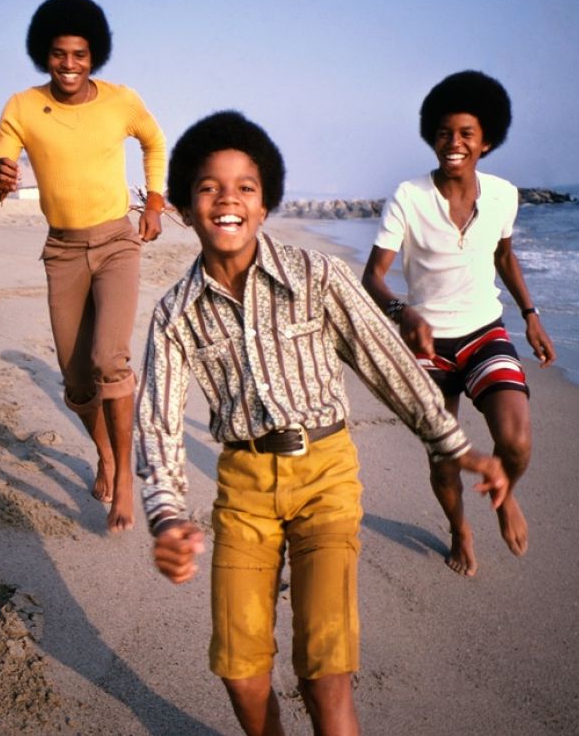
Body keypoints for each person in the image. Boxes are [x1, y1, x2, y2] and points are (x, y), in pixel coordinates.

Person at [137, 111, 509, 735]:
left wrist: (452, 443)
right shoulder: (175, 315)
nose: (228, 199)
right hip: (243, 489)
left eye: (245, 188)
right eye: (209, 187)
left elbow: (384, 360)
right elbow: (158, 423)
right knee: (239, 670)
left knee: (324, 670)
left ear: (265, 204)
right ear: (182, 205)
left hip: (327, 479)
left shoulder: (317, 276)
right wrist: (168, 516)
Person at [0, 0, 166, 532]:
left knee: (111, 359)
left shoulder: (121, 100)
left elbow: (154, 142)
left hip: (115, 244)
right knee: (77, 381)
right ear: (45, 53)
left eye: (79, 54)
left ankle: (125, 478)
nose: (68, 64)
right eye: (59, 54)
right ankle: (103, 452)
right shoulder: (21, 106)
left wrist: (154, 202)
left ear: (94, 55)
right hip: (61, 250)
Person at [362, 70, 556, 577]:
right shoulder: (408, 196)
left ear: (486, 141)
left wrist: (531, 316)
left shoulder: (502, 195)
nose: (454, 143)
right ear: (432, 135)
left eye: (467, 134)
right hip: (427, 345)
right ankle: (458, 528)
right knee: (442, 456)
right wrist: (403, 311)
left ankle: (504, 491)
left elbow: (505, 257)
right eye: (445, 132)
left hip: (484, 332)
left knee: (516, 442)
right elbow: (372, 277)